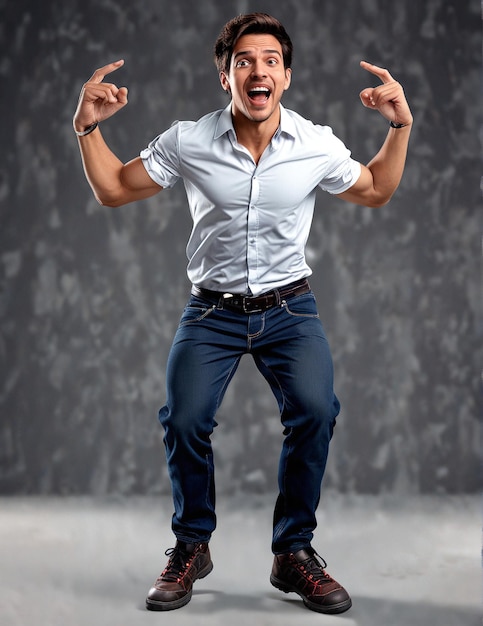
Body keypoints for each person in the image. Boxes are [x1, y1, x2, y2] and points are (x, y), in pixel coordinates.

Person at [73, 12, 412, 615]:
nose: (259, 70)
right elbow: (114, 189)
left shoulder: (315, 144)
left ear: (286, 76)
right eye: (245, 61)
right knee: (183, 419)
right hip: (212, 313)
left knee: (315, 411)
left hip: (290, 309)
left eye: (271, 61)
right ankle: (191, 544)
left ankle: (293, 553)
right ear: (225, 76)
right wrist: (87, 130)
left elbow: (376, 189)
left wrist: (399, 126)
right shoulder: (189, 140)